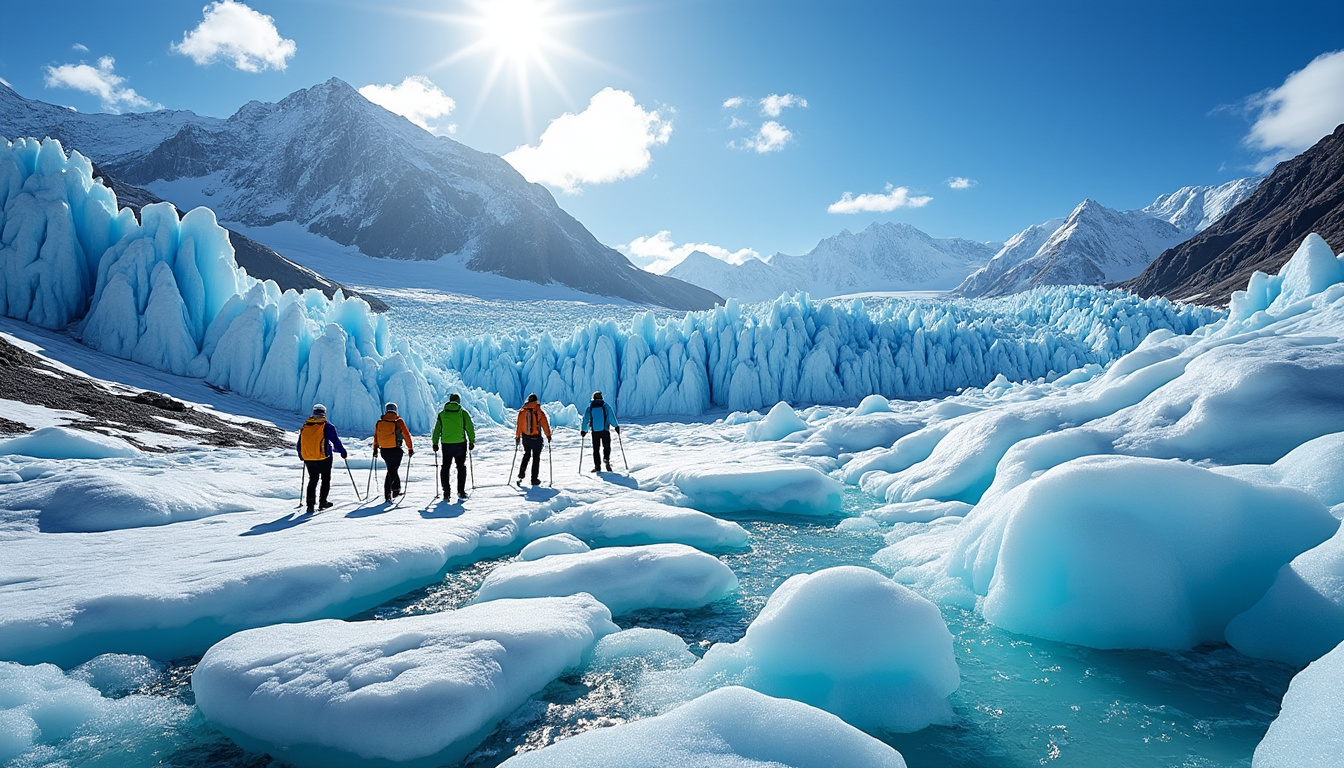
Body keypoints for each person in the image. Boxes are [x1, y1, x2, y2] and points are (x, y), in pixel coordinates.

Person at [297, 404, 347, 512]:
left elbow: (300, 443)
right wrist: (342, 452)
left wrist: (302, 455)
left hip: (309, 458)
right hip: (324, 458)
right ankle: (322, 502)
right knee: (325, 479)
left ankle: (310, 505)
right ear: (324, 413)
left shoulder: (306, 425)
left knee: (313, 480)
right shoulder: (327, 426)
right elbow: (335, 441)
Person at [432, 393, 475, 500]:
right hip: (460, 444)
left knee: (445, 467)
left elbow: (437, 429)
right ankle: (461, 491)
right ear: (458, 401)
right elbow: (469, 427)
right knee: (461, 467)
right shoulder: (463, 413)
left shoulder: (442, 414)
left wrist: (435, 443)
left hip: (446, 444)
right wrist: (471, 441)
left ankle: (446, 491)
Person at [374, 402, 414, 502]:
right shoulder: (398, 421)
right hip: (396, 450)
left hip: (384, 450)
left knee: (392, 469)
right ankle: (387, 493)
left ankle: (396, 490)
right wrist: (410, 448)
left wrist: (375, 449)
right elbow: (406, 434)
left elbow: (376, 436)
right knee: (392, 471)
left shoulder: (380, 422)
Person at [514, 393, 552, 486]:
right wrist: (548, 436)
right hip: (536, 439)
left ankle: (521, 474)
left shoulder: (522, 411)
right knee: (536, 458)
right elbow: (545, 424)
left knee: (526, 455)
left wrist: (518, 437)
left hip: (526, 438)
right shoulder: (538, 411)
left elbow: (519, 425)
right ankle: (534, 479)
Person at [580, 391, 619, 473]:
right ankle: (606, 459)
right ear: (601, 398)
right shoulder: (605, 406)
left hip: (595, 431)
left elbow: (586, 420)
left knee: (596, 449)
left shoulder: (590, 407)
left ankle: (597, 467)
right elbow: (611, 417)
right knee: (606, 446)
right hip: (605, 430)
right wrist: (616, 426)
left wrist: (584, 430)